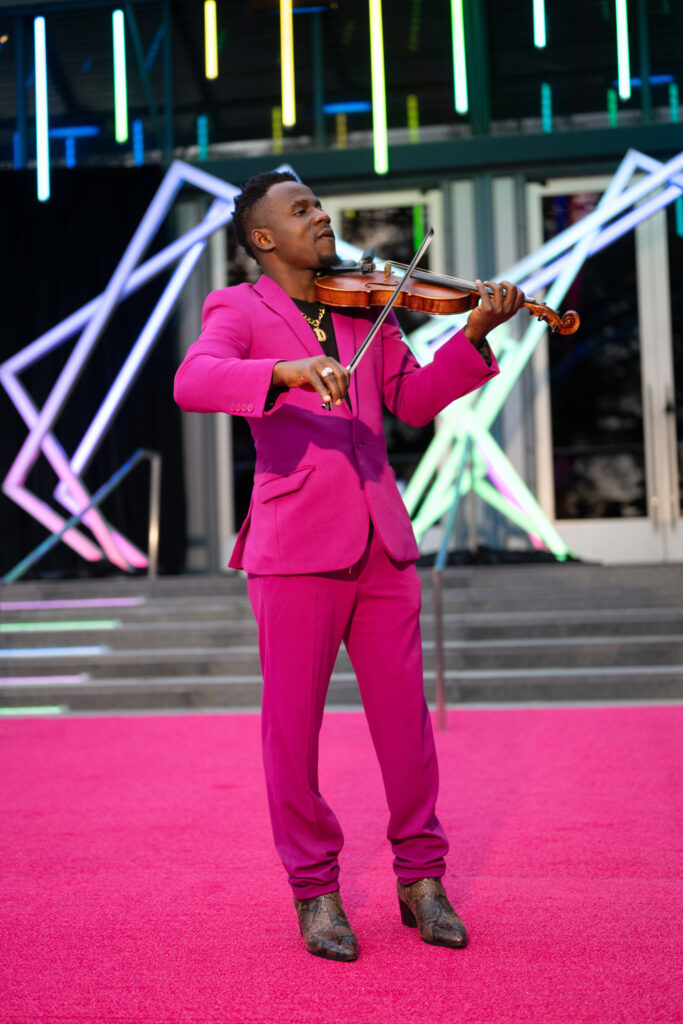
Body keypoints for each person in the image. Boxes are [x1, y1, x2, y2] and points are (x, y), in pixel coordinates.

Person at [174, 171, 524, 962]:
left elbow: (410, 401)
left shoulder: (361, 302)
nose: (319, 215)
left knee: (407, 728)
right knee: (291, 734)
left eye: (317, 204)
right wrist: (281, 374)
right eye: (299, 210)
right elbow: (193, 381)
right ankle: (314, 891)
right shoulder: (236, 308)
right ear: (263, 238)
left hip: (382, 543)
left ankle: (421, 879)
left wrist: (471, 338)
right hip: (294, 548)